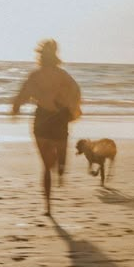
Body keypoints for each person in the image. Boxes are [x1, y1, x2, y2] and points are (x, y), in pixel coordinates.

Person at [12, 40, 81, 216]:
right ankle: (61, 164)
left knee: (45, 166)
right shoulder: (63, 76)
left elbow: (22, 95)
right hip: (59, 120)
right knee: (60, 153)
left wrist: (15, 110)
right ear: (56, 55)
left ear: (40, 56)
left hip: (42, 120)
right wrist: (73, 111)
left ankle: (48, 207)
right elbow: (76, 93)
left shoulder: (36, 76)